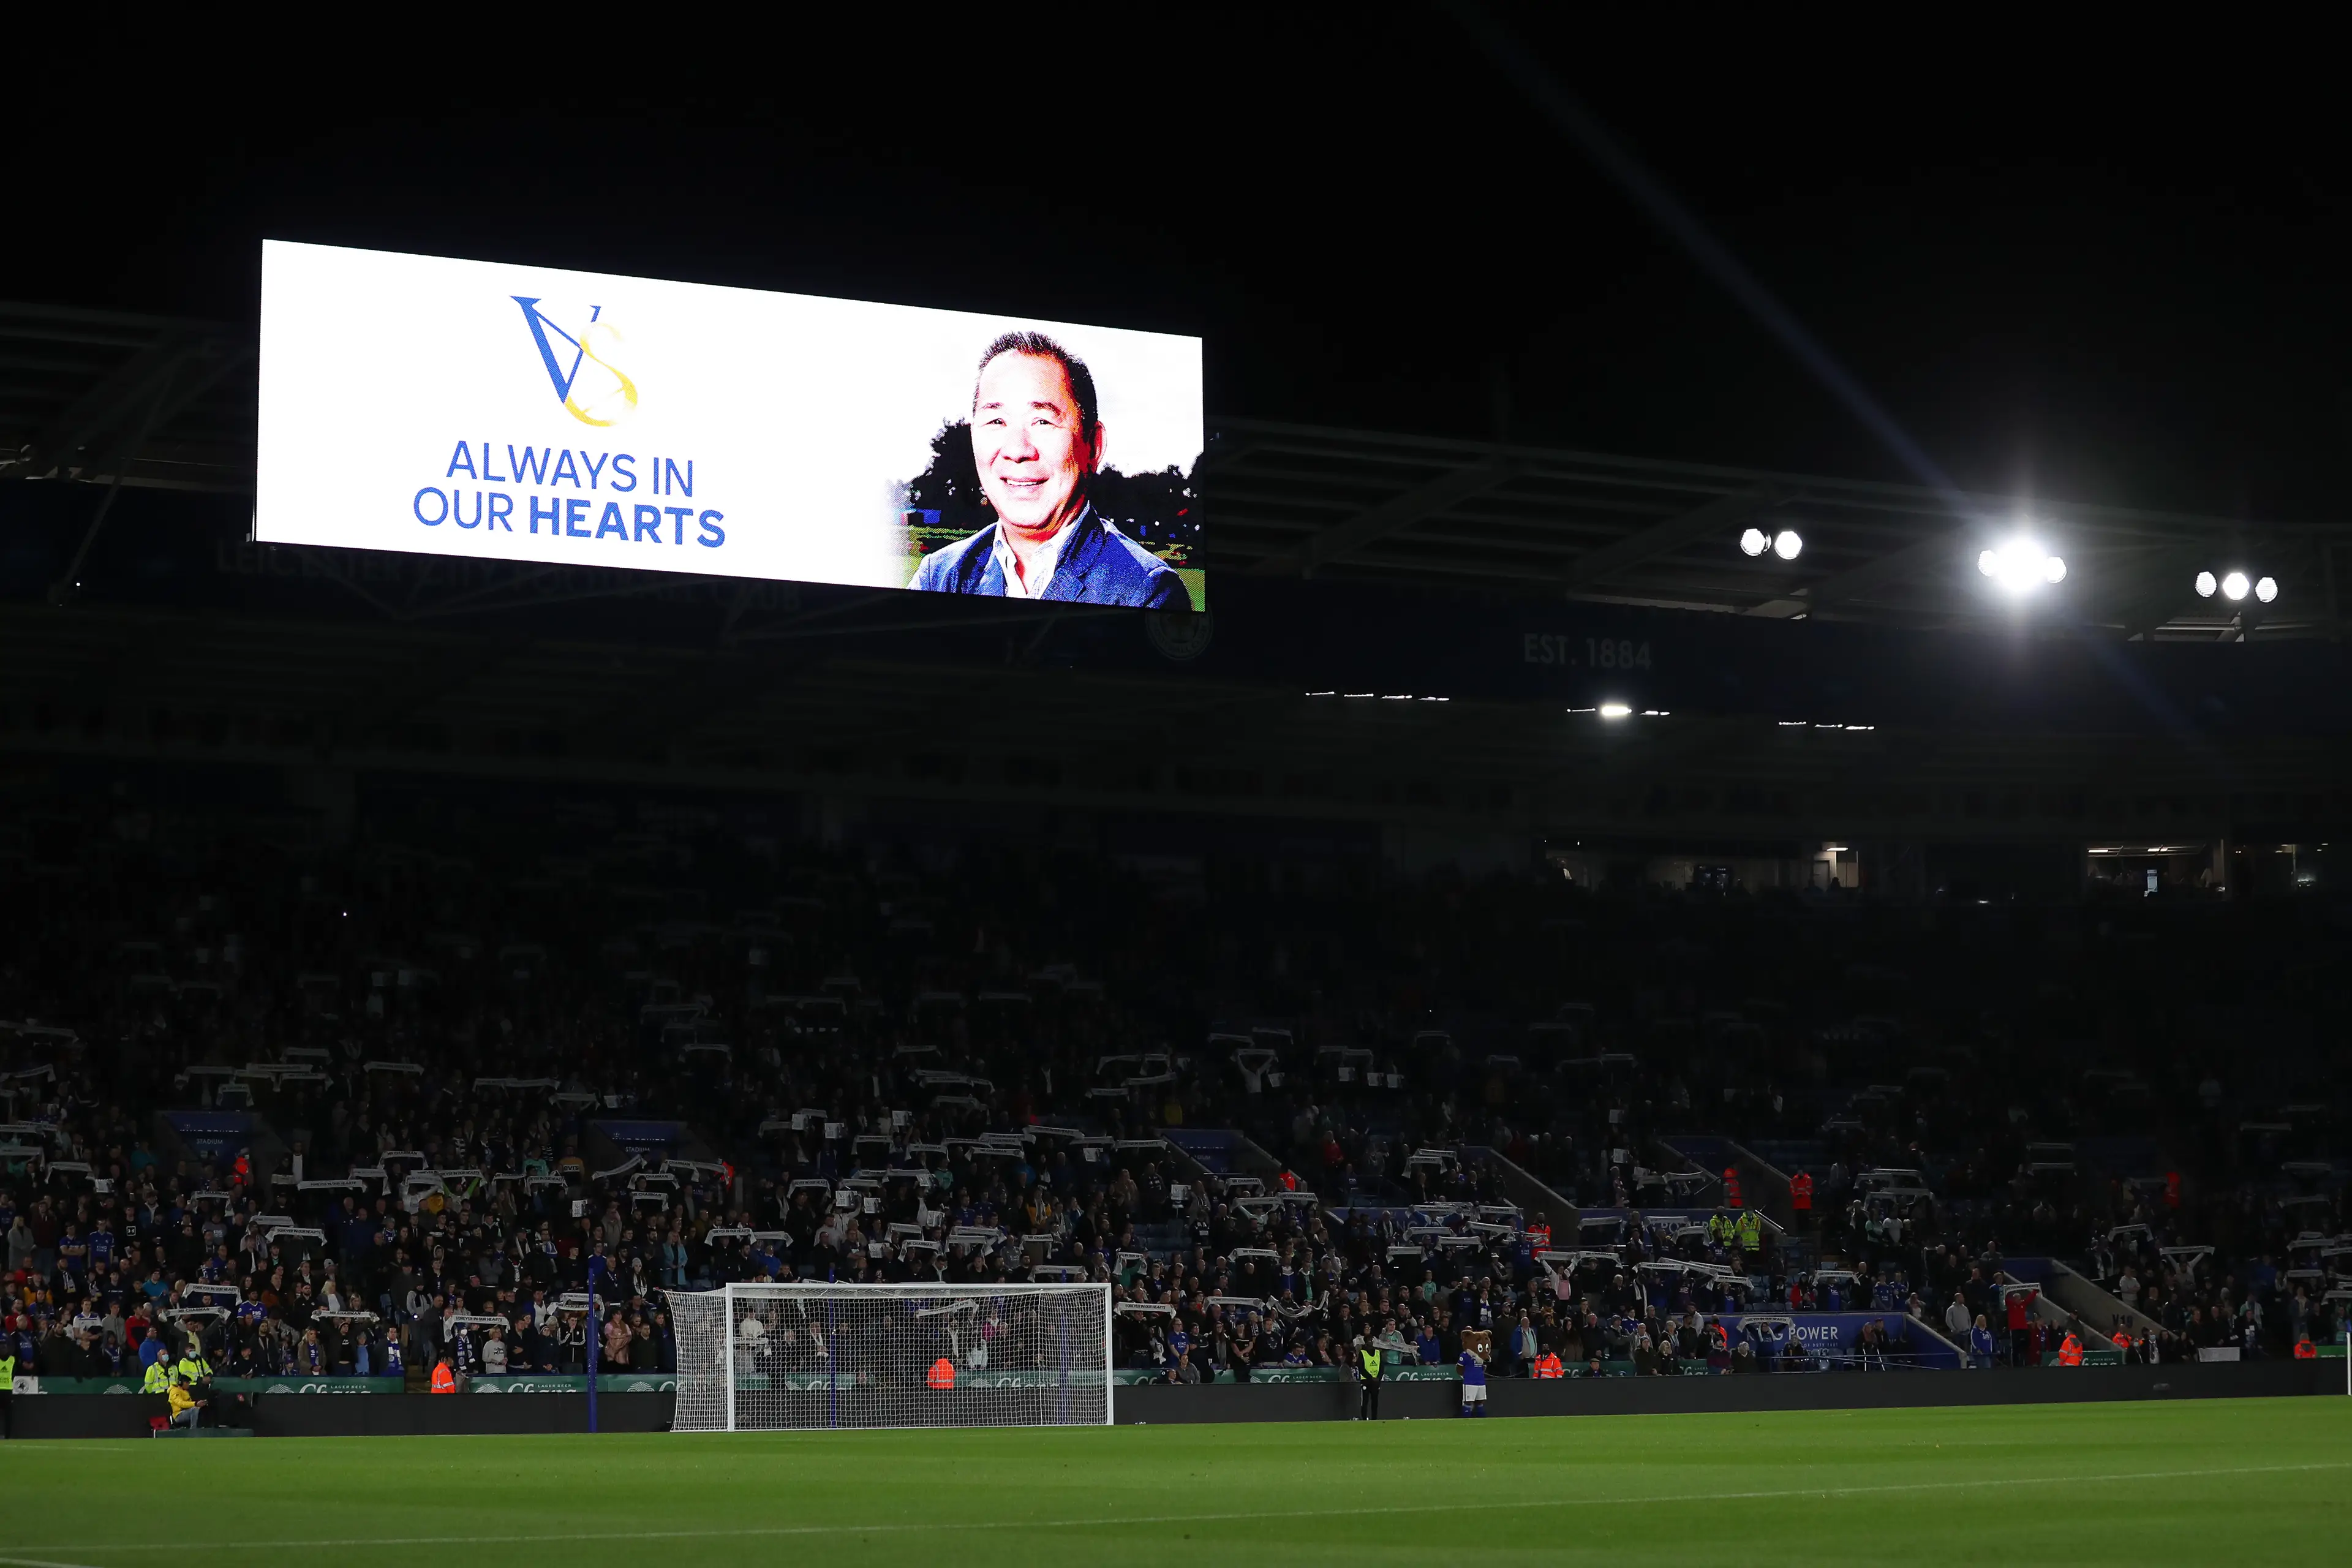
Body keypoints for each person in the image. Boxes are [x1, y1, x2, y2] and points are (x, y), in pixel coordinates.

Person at [907, 332, 1188, 608]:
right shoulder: (941, 576)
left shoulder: (1146, 592)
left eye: (1042, 421)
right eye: (996, 421)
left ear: (1093, 446)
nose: (1017, 451)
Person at [1354, 1327, 1384, 1420]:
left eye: (1372, 1340)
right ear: (1366, 1342)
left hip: (1376, 1381)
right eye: (1369, 1340)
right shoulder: (1362, 1353)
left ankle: (1374, 1419)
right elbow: (1361, 1367)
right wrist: (1371, 1378)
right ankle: (1364, 1418)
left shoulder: (1378, 1353)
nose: (1371, 1342)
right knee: (1365, 1401)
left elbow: (1381, 1366)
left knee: (1375, 1401)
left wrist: (1378, 1377)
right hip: (1366, 1380)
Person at [1458, 1338, 1488, 1415]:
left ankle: (1482, 1422)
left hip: (1481, 1381)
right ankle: (1466, 1422)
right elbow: (1459, 1367)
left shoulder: (1481, 1354)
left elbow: (1484, 1367)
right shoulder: (1465, 1355)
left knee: (1480, 1402)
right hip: (1469, 1382)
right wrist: (1465, 1376)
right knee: (1468, 1402)